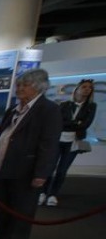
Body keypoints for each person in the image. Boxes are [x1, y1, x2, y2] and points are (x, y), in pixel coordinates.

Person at [0, 68, 62, 239]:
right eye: (19, 84)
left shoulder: (48, 110)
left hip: (25, 172)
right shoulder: (13, 110)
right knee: (1, 213)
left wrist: (42, 173)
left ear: (39, 87)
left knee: (20, 215)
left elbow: (49, 144)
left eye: (25, 85)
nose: (20, 88)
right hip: (2, 169)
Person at [40, 78, 96, 207]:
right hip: (58, 140)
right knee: (50, 168)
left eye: (90, 88)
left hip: (74, 142)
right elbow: (58, 122)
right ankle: (42, 192)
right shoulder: (65, 104)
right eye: (85, 87)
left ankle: (53, 194)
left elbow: (86, 124)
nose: (87, 89)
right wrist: (76, 123)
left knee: (62, 170)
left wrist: (72, 124)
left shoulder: (92, 106)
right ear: (77, 88)